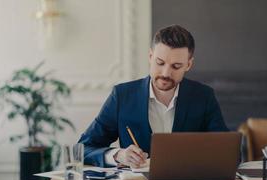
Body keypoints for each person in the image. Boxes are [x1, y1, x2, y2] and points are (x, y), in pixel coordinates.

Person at [78, 25, 228, 168]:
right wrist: (118, 155)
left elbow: (229, 153)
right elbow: (83, 148)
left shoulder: (204, 96)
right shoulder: (122, 96)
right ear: (150, 56)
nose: (165, 73)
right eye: (160, 63)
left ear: (188, 65)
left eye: (176, 66)